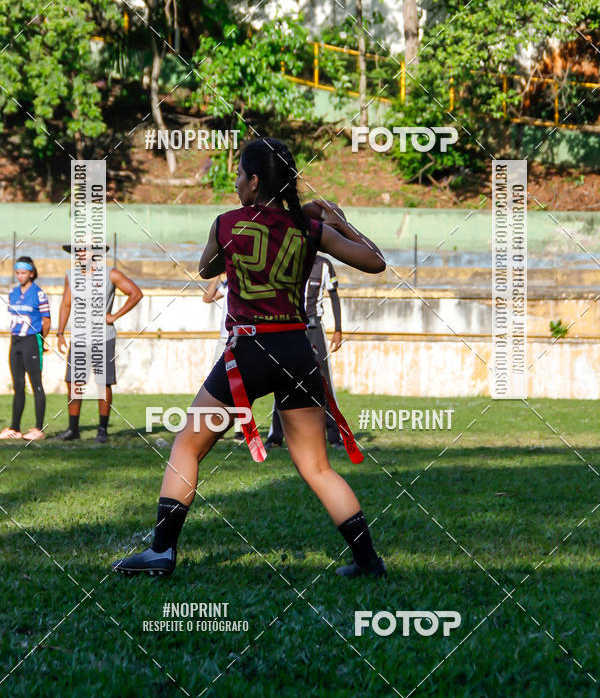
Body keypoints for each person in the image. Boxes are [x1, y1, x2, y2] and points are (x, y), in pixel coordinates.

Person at [112, 137, 387, 579]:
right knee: (317, 466)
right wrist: (340, 222)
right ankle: (368, 561)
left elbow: (206, 269)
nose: (237, 182)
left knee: (187, 445)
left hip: (250, 350)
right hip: (298, 349)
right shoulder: (310, 228)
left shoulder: (226, 223)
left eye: (240, 174)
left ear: (255, 181)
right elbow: (375, 262)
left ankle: (161, 551)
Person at [56, 246, 143, 443]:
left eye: (86, 250)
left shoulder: (110, 274)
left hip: (103, 337)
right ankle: (73, 429)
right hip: (79, 338)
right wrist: (60, 333)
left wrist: (114, 316)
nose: (81, 253)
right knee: (74, 382)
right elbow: (66, 304)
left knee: (103, 383)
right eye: (78, 250)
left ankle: (102, 430)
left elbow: (136, 293)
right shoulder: (71, 275)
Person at [266, 253, 344, 449]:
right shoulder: (286, 261)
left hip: (314, 327)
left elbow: (334, 296)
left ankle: (335, 436)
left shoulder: (324, 265)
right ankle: (275, 436)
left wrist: (338, 330)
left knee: (324, 381)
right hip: (291, 327)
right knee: (282, 379)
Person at [0, 257, 50, 441]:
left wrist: (41, 340)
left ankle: (38, 429)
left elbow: (46, 320)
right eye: (18, 273)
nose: (20, 276)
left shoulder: (38, 294)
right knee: (18, 385)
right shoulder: (13, 293)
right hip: (16, 341)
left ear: (31, 273)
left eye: (24, 273)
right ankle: (15, 428)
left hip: (31, 340)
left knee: (36, 384)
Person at [202, 273, 243, 441]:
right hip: (223, 339)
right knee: (217, 382)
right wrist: (216, 278)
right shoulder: (226, 284)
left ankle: (241, 429)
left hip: (239, 337)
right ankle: (218, 427)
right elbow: (207, 298)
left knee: (240, 384)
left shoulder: (244, 280)